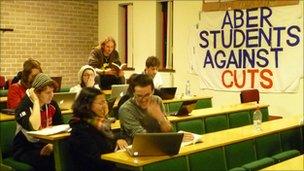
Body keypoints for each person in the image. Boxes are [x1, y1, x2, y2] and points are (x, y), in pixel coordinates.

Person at [12, 73, 63, 171]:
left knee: (67, 155)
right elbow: (34, 127)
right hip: (25, 149)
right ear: (37, 92)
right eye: (48, 93)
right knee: (49, 162)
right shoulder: (23, 107)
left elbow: (60, 127)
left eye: (52, 92)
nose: (52, 95)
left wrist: (53, 144)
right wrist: (35, 101)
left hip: (47, 145)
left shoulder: (52, 104)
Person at [69, 87, 128, 171]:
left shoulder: (102, 124)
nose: (105, 106)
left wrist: (117, 139)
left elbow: (109, 142)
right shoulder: (80, 129)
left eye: (105, 101)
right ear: (87, 105)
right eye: (101, 103)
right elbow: (95, 160)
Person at [118, 74, 172, 143]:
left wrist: (161, 119)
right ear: (133, 93)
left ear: (153, 91)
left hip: (159, 144)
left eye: (147, 95)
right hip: (138, 147)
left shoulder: (157, 101)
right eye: (139, 96)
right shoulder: (126, 109)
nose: (143, 100)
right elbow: (142, 138)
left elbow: (168, 132)